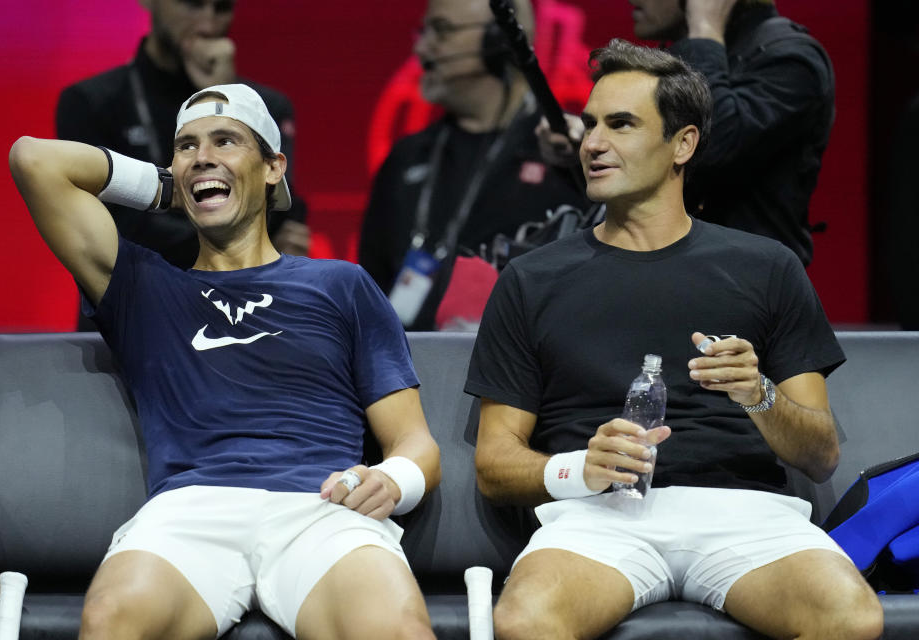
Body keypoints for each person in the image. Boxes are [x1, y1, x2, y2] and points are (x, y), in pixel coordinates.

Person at [467, 40, 882, 640]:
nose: (593, 143)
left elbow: (820, 455)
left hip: (747, 516)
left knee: (851, 617)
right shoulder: (531, 280)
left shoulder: (766, 266)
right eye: (590, 125)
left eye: (621, 124)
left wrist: (759, 393)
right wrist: (578, 467)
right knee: (527, 620)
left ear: (682, 144)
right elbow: (494, 463)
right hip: (598, 517)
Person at [10, 83, 440, 639]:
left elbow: (418, 445)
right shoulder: (142, 286)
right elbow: (34, 159)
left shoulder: (341, 284)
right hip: (192, 512)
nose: (203, 155)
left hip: (321, 510)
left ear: (273, 167)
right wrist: (176, 183)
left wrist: (391, 478)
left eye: (226, 141)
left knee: (396, 629)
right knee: (113, 620)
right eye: (186, 146)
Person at [540, 0, 834, 265]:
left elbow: (711, 147)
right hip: (661, 269)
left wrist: (704, 29)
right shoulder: (684, 50)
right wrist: (584, 146)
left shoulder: (790, 59)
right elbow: (658, 170)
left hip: (745, 284)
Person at [359, 0, 589, 331]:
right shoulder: (407, 156)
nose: (421, 47)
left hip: (515, 371)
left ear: (498, 40)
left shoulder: (564, 154)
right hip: (407, 365)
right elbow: (371, 282)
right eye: (423, 31)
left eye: (441, 30)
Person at [56, 0, 309, 271]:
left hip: (237, 300)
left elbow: (282, 213)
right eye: (192, 4)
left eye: (221, 8)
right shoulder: (91, 103)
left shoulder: (268, 106)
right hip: (129, 301)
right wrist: (241, 239)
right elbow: (107, 237)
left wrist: (224, 94)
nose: (208, 23)